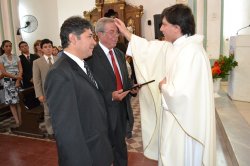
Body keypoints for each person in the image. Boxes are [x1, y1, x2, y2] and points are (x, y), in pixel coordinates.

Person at [115, 4, 216, 166]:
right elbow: (148, 49)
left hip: (185, 124)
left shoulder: (191, 52)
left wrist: (163, 87)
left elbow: (182, 95)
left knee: (182, 157)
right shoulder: (176, 46)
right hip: (175, 117)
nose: (161, 29)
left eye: (164, 25)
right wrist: (127, 33)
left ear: (177, 27)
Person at [44, 16, 113, 166]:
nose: (94, 42)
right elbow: (66, 130)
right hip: (85, 157)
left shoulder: (83, 64)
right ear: (73, 38)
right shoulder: (59, 73)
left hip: (98, 150)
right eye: (89, 36)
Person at [86, 17, 137, 166]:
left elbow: (123, 80)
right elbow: (88, 88)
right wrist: (110, 96)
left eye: (117, 32)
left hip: (121, 110)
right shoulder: (90, 56)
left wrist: (132, 88)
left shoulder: (119, 54)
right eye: (111, 32)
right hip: (102, 111)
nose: (116, 36)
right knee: (104, 151)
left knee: (120, 147)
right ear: (99, 34)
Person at [33, 39, 59, 137]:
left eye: (49, 46)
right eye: (45, 47)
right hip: (46, 92)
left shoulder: (58, 59)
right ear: (42, 49)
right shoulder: (37, 62)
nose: (48, 49)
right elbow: (37, 80)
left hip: (59, 91)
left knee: (60, 110)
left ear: (52, 48)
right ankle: (50, 131)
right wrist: (39, 94)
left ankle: (60, 128)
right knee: (48, 112)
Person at [0, 40, 23, 127]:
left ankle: (21, 120)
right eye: (6, 46)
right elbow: (4, 72)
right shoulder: (1, 58)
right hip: (7, 81)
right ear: (3, 48)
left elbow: (20, 69)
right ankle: (17, 122)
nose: (9, 48)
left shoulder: (16, 57)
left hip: (17, 80)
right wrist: (16, 77)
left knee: (18, 101)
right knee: (11, 102)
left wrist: (18, 79)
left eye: (10, 46)